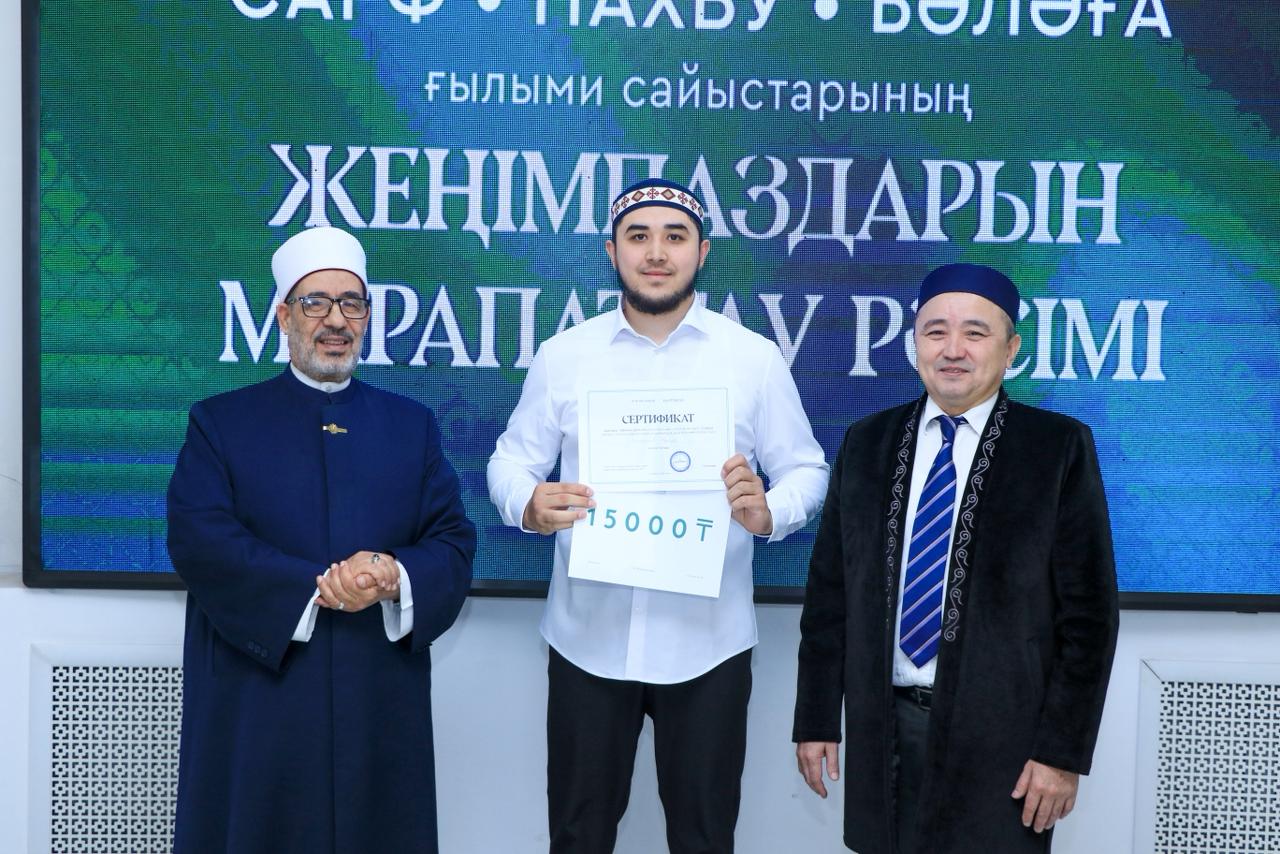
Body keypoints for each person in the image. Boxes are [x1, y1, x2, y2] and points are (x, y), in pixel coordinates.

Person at [488, 178, 829, 853]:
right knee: (578, 838)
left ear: (702, 252)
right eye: (638, 236)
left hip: (708, 644)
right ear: (611, 251)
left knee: (705, 840)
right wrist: (527, 503)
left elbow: (808, 470)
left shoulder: (752, 359)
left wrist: (769, 512)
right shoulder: (565, 356)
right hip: (587, 638)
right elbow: (509, 462)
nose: (655, 253)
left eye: (674, 237)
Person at [166, 226, 476, 854]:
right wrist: (315, 589)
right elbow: (199, 537)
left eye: (351, 303)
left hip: (376, 696)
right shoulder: (219, 421)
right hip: (259, 693)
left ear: (367, 318)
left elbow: (451, 540)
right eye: (316, 303)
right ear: (284, 317)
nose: (336, 320)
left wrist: (393, 575)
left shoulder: (411, 426)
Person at [792, 263, 1119, 854]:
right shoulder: (867, 443)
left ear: (1010, 348)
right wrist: (816, 719)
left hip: (1005, 744)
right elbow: (828, 598)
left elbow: (1090, 620)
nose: (953, 349)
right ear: (915, 342)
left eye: (975, 332)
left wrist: (1061, 753)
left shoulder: (1056, 449)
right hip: (882, 731)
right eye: (936, 331)